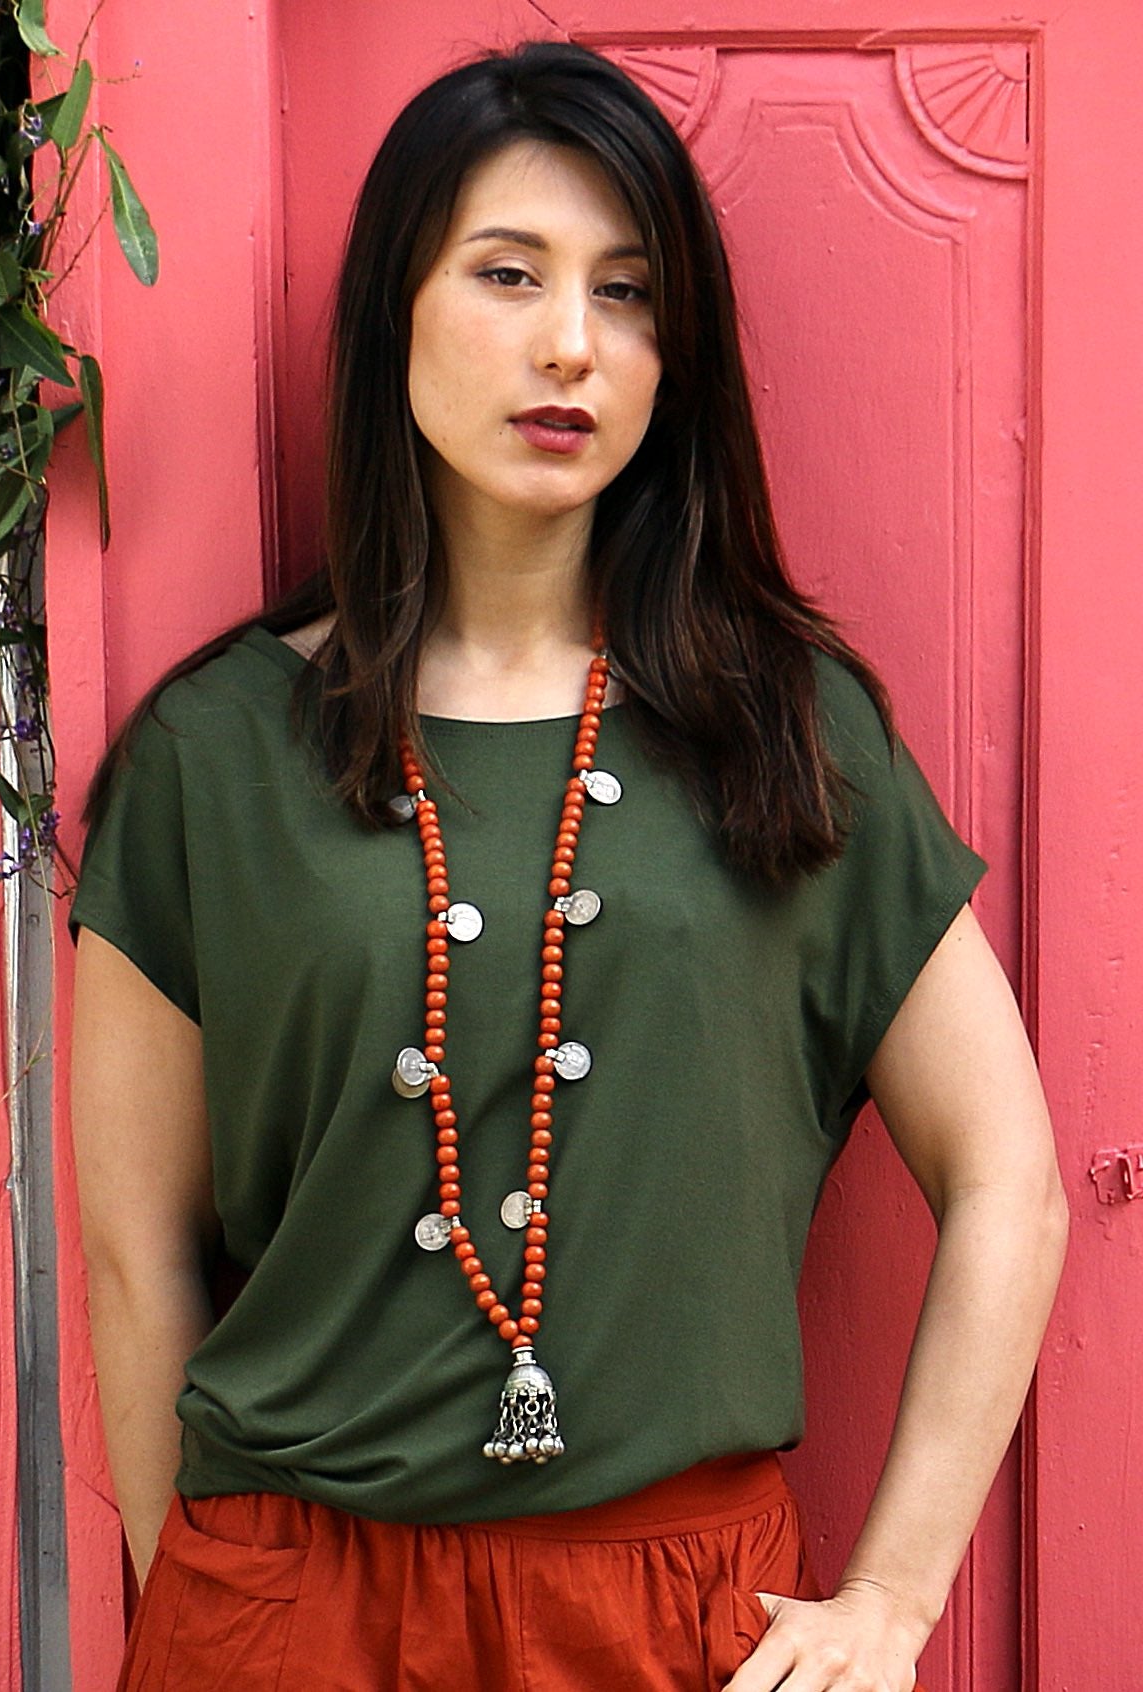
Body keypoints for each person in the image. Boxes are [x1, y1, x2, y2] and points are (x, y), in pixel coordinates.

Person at [69, 40, 1067, 1692]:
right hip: (288, 1610)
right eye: (509, 274)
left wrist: (892, 1603)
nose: (569, 346)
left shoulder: (786, 732)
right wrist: (213, 1611)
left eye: (627, 296)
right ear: (398, 302)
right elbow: (134, 1254)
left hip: (677, 1625)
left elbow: (1011, 1184)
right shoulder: (214, 754)